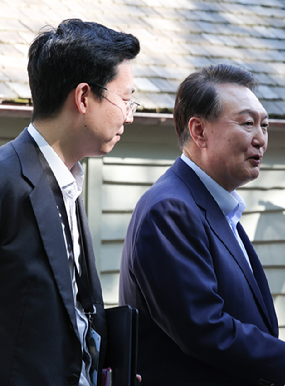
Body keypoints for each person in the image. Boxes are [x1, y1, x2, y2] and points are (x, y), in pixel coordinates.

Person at [119, 63, 285, 386]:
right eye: (247, 123)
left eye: (264, 125)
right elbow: (202, 327)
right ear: (199, 132)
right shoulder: (171, 210)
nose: (261, 139)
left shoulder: (218, 206)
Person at [0, 19, 140, 385]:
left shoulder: (70, 181)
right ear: (83, 97)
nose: (129, 114)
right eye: (125, 100)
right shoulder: (5, 181)